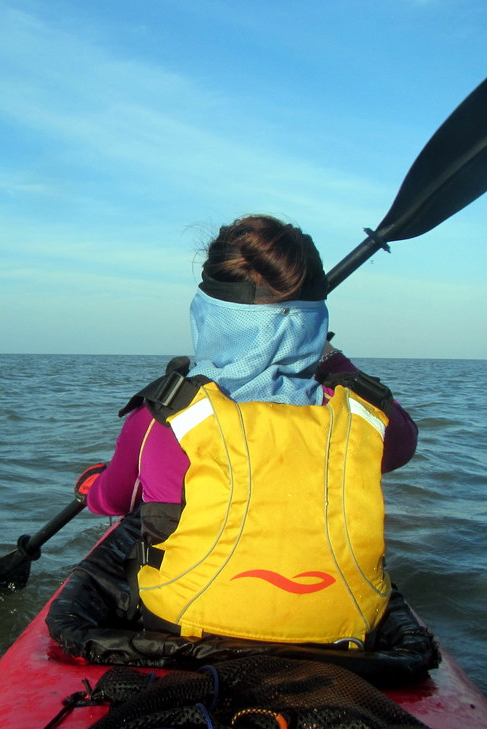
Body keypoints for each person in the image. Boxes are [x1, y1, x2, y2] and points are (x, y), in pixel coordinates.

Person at [81, 214, 418, 650]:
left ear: (208, 314)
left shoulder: (164, 416)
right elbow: (405, 440)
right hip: (340, 633)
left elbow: (111, 501)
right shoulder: (361, 418)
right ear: (315, 321)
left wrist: (91, 488)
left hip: (187, 624)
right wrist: (329, 355)